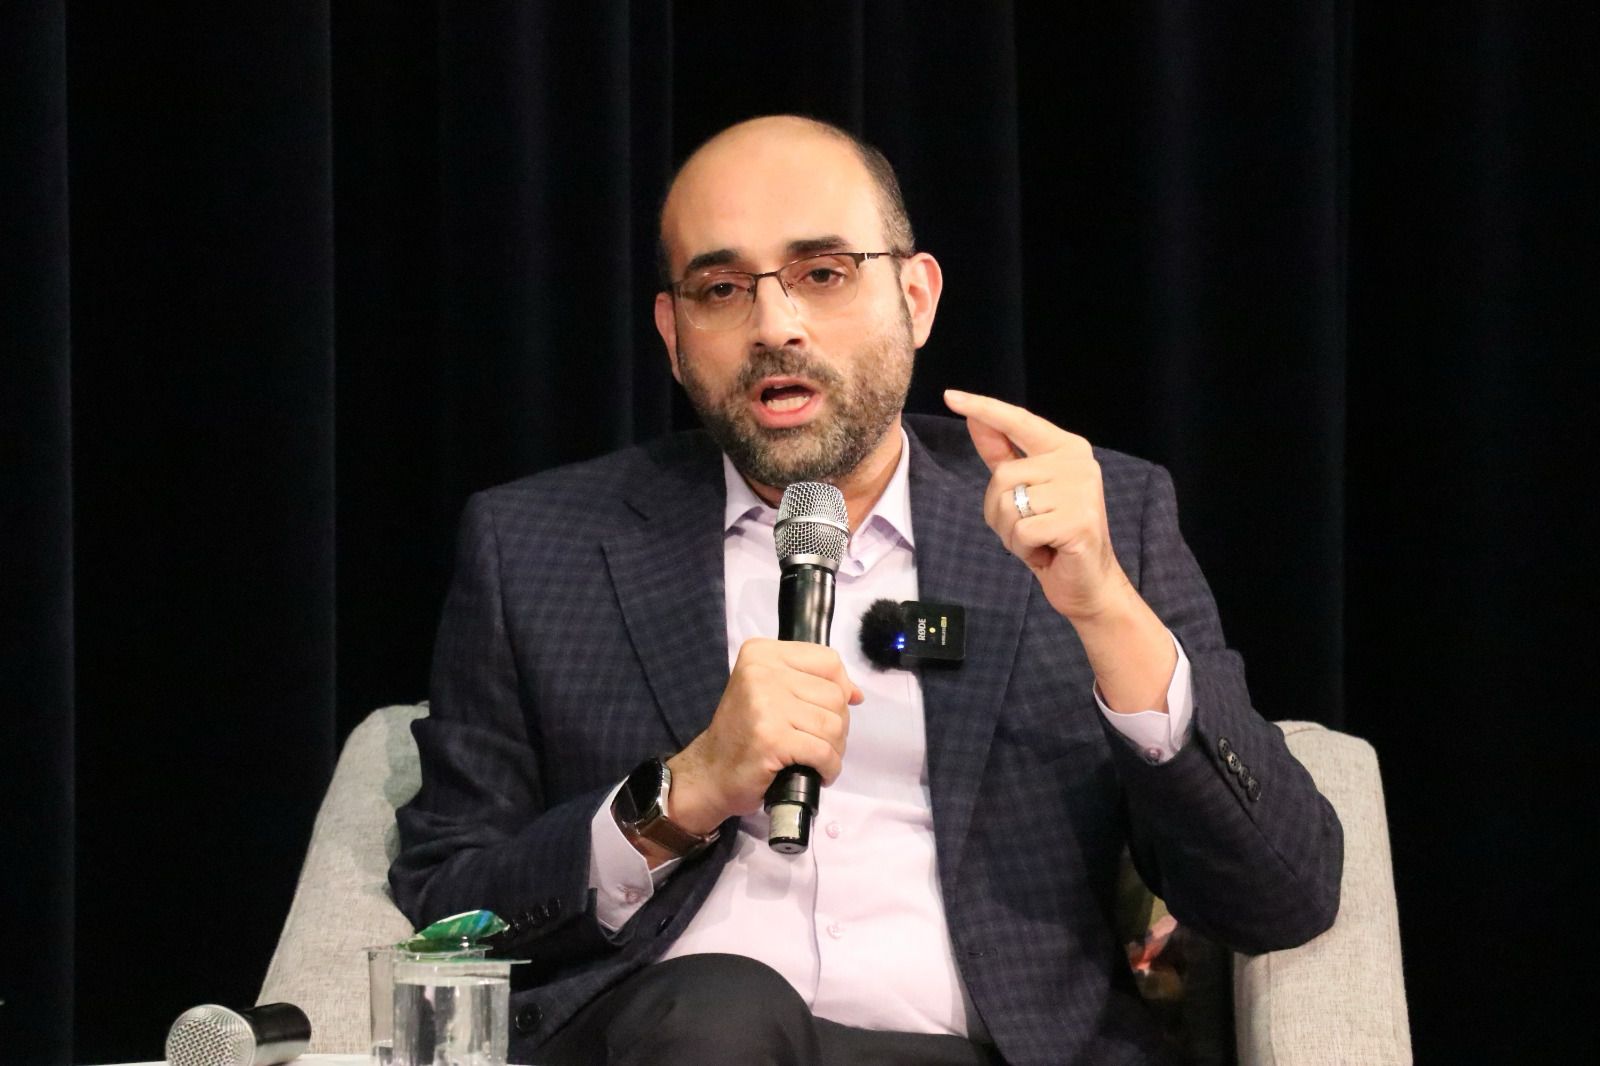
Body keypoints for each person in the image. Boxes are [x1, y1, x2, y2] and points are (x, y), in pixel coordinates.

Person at [390, 114, 1343, 1066]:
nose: (776, 326)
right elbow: (449, 914)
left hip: (985, 1053)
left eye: (823, 273)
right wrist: (682, 795)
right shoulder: (537, 545)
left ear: (915, 299)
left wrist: (1107, 611)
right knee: (721, 1010)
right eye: (722, 289)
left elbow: (1281, 897)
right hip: (680, 1039)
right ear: (673, 335)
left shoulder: (1097, 521)